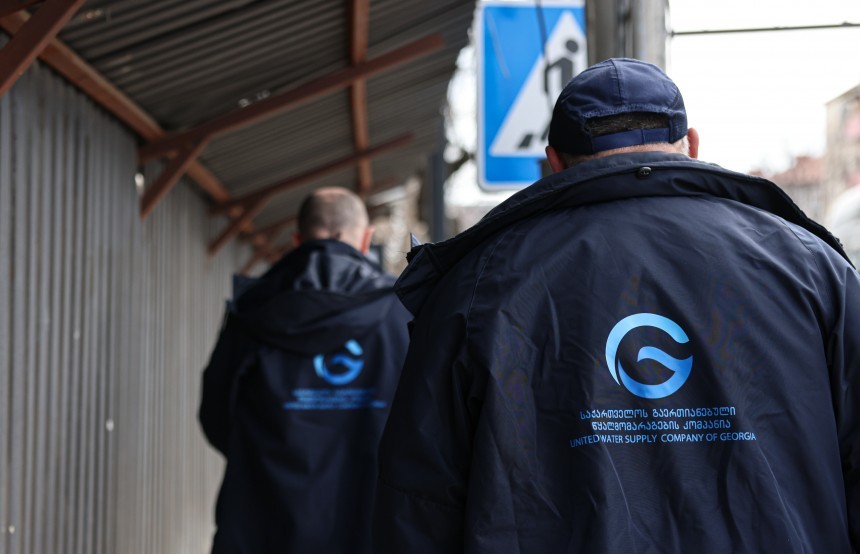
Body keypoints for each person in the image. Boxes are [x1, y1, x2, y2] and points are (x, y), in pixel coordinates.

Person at [372, 58, 860, 553]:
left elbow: (419, 502)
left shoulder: (475, 287)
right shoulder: (811, 267)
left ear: (554, 162)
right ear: (691, 145)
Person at [199, 186, 411, 553]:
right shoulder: (403, 311)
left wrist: (261, 455)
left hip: (263, 522)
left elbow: (216, 414)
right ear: (366, 239)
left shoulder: (253, 307)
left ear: (298, 239)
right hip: (370, 520)